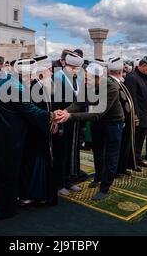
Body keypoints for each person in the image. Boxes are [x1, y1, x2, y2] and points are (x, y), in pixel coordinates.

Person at [0, 58, 55, 219]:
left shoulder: (7, 81)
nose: (34, 79)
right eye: (32, 75)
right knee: (4, 175)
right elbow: (32, 111)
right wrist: (53, 116)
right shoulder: (15, 87)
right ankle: (0, 209)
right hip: (4, 138)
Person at [55, 61, 125, 200]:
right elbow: (78, 103)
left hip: (113, 123)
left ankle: (105, 187)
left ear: (99, 78)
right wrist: (64, 111)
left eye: (88, 78)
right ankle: (98, 177)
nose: (85, 81)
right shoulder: (87, 84)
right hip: (98, 122)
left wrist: (70, 116)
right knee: (97, 152)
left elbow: (97, 113)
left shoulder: (111, 87)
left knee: (111, 155)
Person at [19, 55, 58, 207]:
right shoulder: (34, 87)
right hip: (35, 135)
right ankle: (32, 195)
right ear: (41, 73)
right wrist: (51, 122)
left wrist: (52, 122)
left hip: (42, 133)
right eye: (49, 70)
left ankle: (40, 194)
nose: (52, 73)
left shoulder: (41, 85)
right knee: (33, 165)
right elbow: (34, 113)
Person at [52, 51, 85, 195]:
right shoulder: (58, 78)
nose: (76, 70)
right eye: (74, 68)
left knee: (72, 152)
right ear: (67, 65)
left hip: (74, 120)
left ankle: (69, 180)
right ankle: (59, 183)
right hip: (62, 121)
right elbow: (56, 103)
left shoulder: (76, 78)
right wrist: (58, 123)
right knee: (61, 153)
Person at [125, 56, 147, 167]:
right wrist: (136, 116)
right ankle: (131, 162)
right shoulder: (132, 77)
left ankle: (137, 159)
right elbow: (133, 99)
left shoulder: (145, 77)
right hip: (138, 116)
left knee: (140, 140)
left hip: (146, 116)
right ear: (143, 66)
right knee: (134, 140)